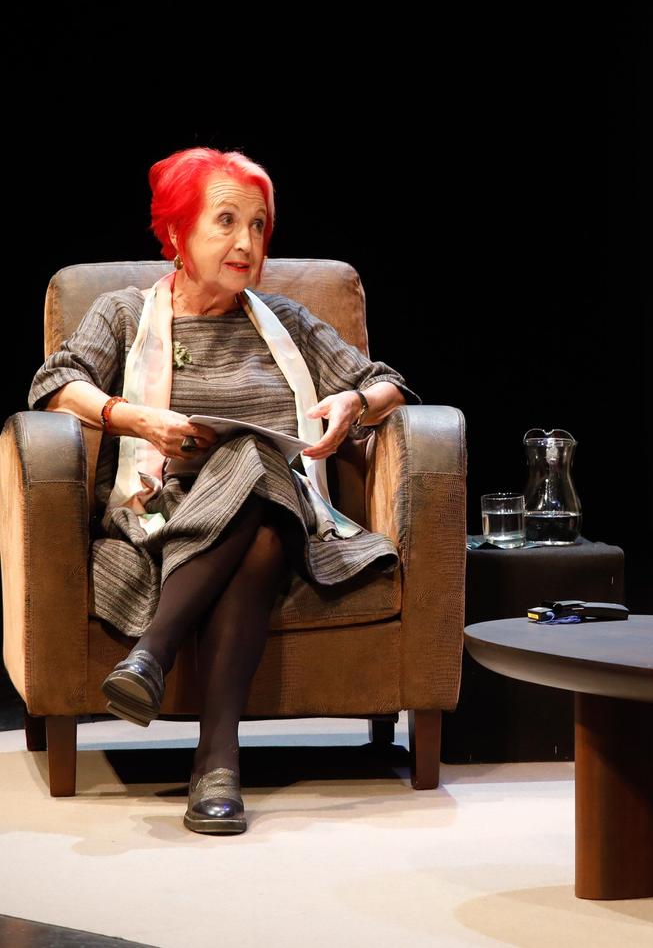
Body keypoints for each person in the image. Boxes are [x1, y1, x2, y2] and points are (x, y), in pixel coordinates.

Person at [28, 148, 416, 836]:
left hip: (284, 506)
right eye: (228, 221)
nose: (247, 242)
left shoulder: (286, 321)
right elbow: (56, 383)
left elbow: (389, 380)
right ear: (177, 234)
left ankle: (153, 654)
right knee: (260, 516)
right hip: (161, 513)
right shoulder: (126, 313)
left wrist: (354, 402)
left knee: (257, 459)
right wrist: (134, 416)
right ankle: (217, 765)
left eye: (260, 226)